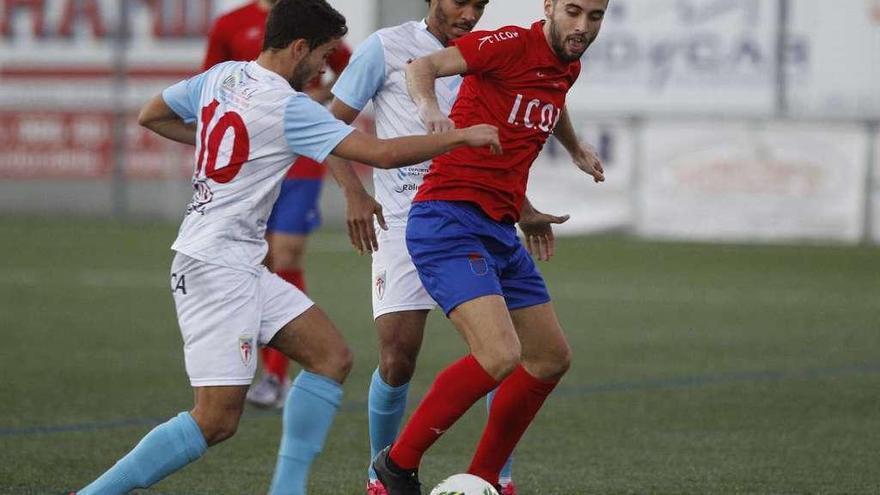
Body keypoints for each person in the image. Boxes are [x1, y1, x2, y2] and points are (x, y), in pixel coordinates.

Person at [73, 1, 500, 494]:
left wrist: (216, 142)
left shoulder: (224, 76)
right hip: (215, 269)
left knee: (330, 357)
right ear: (298, 48)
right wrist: (460, 137)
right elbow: (381, 153)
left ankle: (286, 490)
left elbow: (152, 114)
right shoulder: (289, 106)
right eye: (320, 57)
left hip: (238, 263)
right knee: (215, 420)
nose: (323, 69)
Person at [327, 1, 569, 494]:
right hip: (402, 219)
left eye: (479, 5)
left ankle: (493, 474)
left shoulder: (486, 54)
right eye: (460, 1)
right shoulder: (386, 48)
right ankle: (384, 472)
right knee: (398, 356)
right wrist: (355, 192)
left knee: (505, 348)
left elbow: (505, 141)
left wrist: (523, 208)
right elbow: (330, 127)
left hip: (474, 211)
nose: (469, 13)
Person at [204, 0, 354, 409]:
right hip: (250, 154)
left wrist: (316, 100)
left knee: (285, 253)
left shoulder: (308, 18)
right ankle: (240, 365)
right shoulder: (230, 24)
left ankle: (275, 375)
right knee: (257, 260)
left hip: (301, 155)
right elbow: (210, 85)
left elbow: (349, 70)